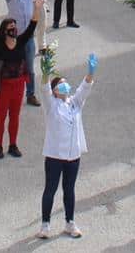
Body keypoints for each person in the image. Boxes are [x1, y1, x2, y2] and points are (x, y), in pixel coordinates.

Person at [38, 54, 97, 240]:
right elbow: (44, 88)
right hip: (55, 155)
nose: (64, 87)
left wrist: (90, 73)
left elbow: (84, 88)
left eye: (65, 83)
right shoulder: (51, 105)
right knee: (50, 189)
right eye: (60, 85)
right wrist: (46, 71)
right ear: (55, 90)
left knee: (69, 189)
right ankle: (45, 224)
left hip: (73, 155)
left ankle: (69, 222)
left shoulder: (74, 103)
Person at [0, 0, 42, 159]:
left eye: (15, 27)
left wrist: (37, 9)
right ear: (4, 31)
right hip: (3, 86)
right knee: (1, 116)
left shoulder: (21, 41)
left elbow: (33, 24)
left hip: (19, 84)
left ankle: (12, 144)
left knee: (15, 116)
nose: (14, 30)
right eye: (11, 28)